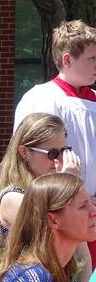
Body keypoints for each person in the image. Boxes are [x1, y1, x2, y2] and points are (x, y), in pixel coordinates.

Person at [14, 20, 96, 268]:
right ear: (68, 59)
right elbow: (32, 157)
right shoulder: (43, 98)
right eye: (92, 58)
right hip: (63, 209)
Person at [0, 113, 90, 282]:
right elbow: (51, 233)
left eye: (64, 152)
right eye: (52, 154)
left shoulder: (57, 194)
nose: (59, 161)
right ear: (24, 152)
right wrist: (67, 186)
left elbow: (82, 251)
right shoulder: (12, 197)